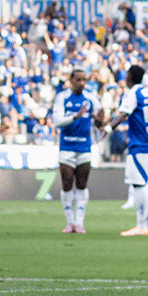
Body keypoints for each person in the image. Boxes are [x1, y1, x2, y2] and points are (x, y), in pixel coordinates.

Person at [51, 68, 103, 234]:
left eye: (84, 80)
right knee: (67, 184)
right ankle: (69, 222)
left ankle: (79, 223)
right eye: (79, 79)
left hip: (84, 147)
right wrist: (75, 116)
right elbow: (57, 121)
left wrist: (99, 120)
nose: (82, 83)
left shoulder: (91, 98)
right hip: (66, 146)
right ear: (71, 80)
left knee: (82, 184)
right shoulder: (62, 97)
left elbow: (100, 120)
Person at [110, 64, 148, 237]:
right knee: (147, 182)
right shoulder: (146, 92)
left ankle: (141, 225)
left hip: (140, 144)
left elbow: (123, 114)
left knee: (139, 183)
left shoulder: (133, 93)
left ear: (130, 76)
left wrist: (108, 128)